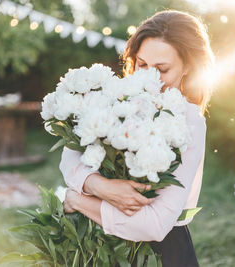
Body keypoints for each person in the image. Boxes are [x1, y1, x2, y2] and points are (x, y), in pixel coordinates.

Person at [60, 9, 215, 267]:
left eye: (162, 69)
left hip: (161, 254)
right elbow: (69, 158)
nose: (147, 78)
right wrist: (98, 186)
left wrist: (77, 199)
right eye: (142, 65)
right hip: (99, 246)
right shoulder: (116, 98)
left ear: (188, 66)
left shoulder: (190, 122)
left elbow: (155, 226)